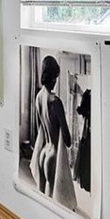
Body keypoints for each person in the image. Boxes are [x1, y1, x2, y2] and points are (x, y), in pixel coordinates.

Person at [30, 55, 75, 209]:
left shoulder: (38, 97)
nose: (56, 81)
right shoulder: (55, 102)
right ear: (52, 77)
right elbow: (68, 141)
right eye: (55, 77)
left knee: (40, 195)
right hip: (54, 154)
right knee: (50, 204)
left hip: (43, 152)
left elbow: (39, 129)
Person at [73, 88, 92, 192]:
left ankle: (87, 182)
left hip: (89, 129)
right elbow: (82, 111)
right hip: (87, 129)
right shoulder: (87, 94)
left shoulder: (88, 94)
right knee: (86, 155)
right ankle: (86, 182)